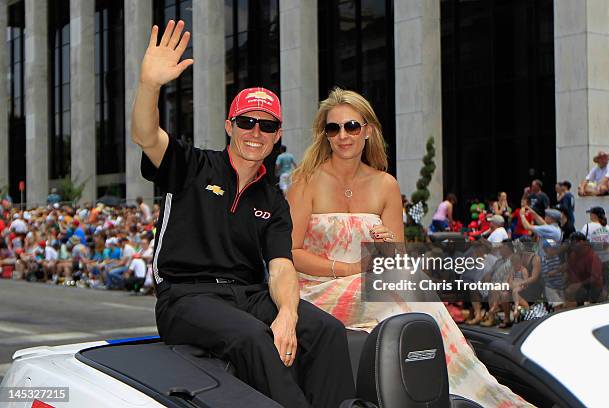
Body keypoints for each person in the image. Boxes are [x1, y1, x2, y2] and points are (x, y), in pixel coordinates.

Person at [131, 20, 354, 408]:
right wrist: (150, 85)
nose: (256, 131)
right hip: (186, 297)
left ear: (278, 134)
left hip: (246, 295)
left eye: (266, 125)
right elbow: (146, 135)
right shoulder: (192, 165)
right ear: (228, 126)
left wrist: (287, 312)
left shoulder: (274, 198)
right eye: (246, 122)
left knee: (328, 330)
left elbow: (282, 266)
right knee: (254, 337)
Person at [287, 87, 532, 407]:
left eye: (352, 126)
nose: (343, 135)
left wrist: (385, 249)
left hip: (369, 286)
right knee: (404, 293)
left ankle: (469, 394)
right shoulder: (306, 180)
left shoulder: (385, 185)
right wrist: (347, 268)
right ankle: (467, 393)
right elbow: (289, 253)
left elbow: (394, 260)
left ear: (368, 131)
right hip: (316, 289)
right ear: (326, 135)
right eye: (334, 128)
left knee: (407, 284)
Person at [580, 207, 609, 300]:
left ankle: (593, 300)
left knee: (592, 280)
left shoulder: (587, 227)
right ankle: (604, 299)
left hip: (592, 260)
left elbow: (581, 242)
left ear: (594, 215)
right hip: (606, 259)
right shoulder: (608, 228)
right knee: (605, 280)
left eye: (591, 213)